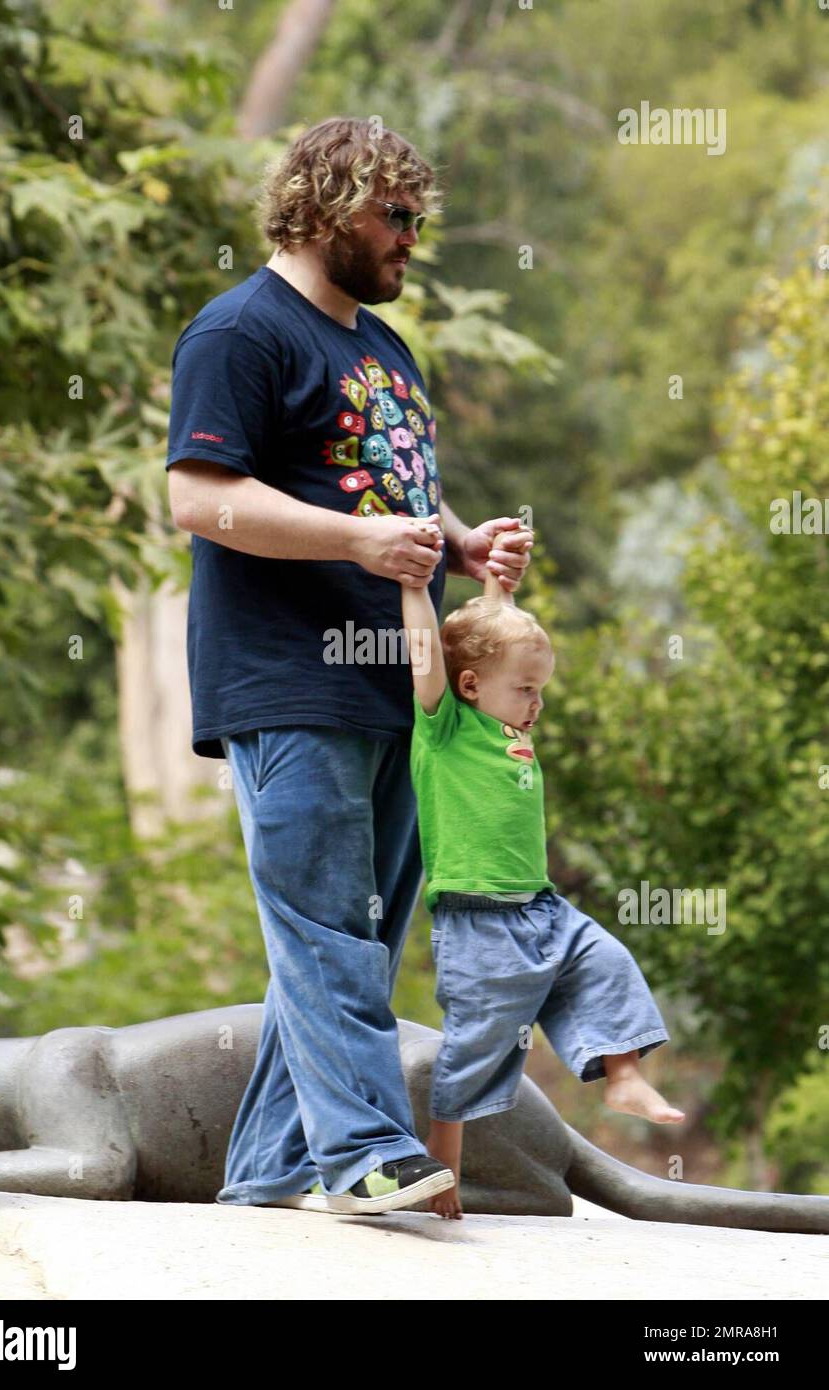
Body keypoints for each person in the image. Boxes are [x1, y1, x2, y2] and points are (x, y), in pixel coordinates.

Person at [165, 117, 533, 1215]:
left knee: (352, 946)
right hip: (289, 682)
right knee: (326, 926)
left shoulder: (381, 345)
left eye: (419, 218)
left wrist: (457, 541)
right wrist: (358, 542)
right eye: (396, 216)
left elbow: (385, 486)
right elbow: (199, 497)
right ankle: (371, 1153)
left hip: (397, 689)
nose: (412, 238)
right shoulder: (238, 332)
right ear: (326, 205)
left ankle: (268, 1183)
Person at [400, 523, 685, 1219]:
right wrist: (414, 587)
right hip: (476, 921)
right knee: (477, 1045)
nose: (537, 705)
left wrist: (499, 590)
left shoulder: (509, 732)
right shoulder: (446, 729)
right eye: (526, 689)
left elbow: (493, 646)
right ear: (470, 685)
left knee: (607, 961)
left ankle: (623, 1074)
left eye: (540, 690)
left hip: (541, 907)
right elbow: (425, 661)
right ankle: (445, 1163)